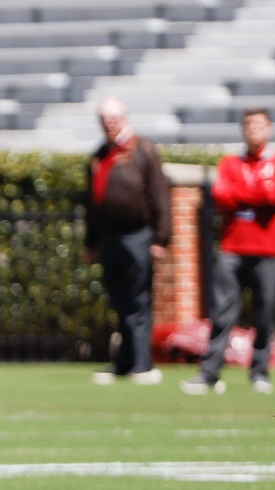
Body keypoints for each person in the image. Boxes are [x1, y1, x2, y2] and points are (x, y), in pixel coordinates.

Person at [181, 108, 275, 395]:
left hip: (267, 250)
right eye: (247, 124)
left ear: (269, 128)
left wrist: (243, 195)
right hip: (233, 248)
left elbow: (271, 197)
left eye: (258, 124)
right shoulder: (231, 163)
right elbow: (222, 195)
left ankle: (259, 372)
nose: (252, 129)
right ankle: (209, 373)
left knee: (266, 313)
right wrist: (255, 194)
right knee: (222, 313)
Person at [83, 96, 171, 385]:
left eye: (113, 119)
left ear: (123, 119)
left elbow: (159, 195)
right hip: (110, 237)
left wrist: (161, 237)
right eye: (104, 120)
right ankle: (122, 362)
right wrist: (91, 241)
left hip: (138, 235)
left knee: (139, 301)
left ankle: (142, 364)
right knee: (119, 300)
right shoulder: (100, 154)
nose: (108, 124)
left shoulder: (142, 149)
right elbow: (92, 204)